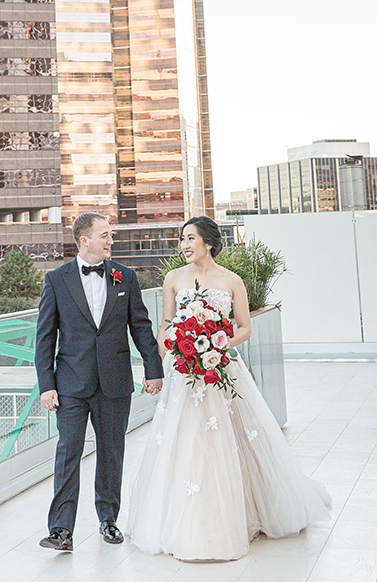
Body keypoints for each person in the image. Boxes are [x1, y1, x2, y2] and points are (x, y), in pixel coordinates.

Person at [128, 215, 331, 562]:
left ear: (208, 242)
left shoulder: (231, 280)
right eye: (181, 239)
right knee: (184, 439)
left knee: (230, 437)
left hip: (220, 367)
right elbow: (165, 323)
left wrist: (216, 344)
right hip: (183, 371)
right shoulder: (173, 279)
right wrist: (168, 352)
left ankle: (242, 511)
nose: (184, 246)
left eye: (190, 238)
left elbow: (244, 328)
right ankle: (183, 519)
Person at [35, 212, 163, 552]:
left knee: (111, 453)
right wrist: (46, 384)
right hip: (70, 384)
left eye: (110, 235)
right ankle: (61, 530)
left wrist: (154, 369)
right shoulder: (56, 280)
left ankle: (108, 520)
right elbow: (45, 338)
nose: (110, 241)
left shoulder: (126, 277)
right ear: (84, 240)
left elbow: (141, 327)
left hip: (115, 382)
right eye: (104, 235)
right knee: (68, 454)